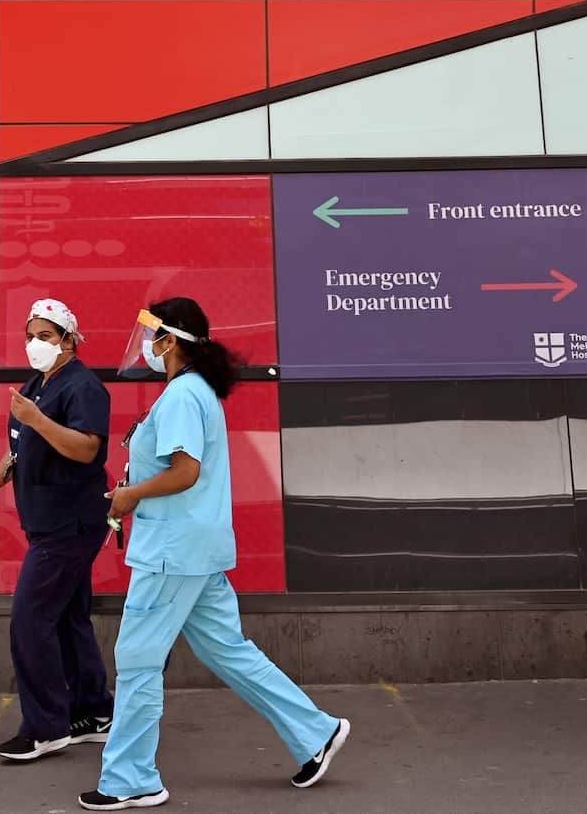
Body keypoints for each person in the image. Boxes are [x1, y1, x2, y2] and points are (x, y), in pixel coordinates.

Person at [78, 298, 350, 811]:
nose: (146, 345)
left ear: (172, 340)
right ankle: (316, 732)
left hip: (172, 553)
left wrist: (132, 495)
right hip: (193, 550)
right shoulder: (194, 392)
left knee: (137, 660)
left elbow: (186, 472)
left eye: (152, 334)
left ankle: (132, 778)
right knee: (229, 651)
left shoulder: (182, 396)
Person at [0, 298, 116, 762]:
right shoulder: (35, 385)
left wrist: (37, 419)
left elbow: (87, 449)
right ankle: (93, 712)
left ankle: (47, 726)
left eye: (45, 336)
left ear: (69, 340)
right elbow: (19, 450)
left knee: (30, 620)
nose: (35, 344)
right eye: (30, 336)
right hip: (46, 522)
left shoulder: (82, 388)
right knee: (68, 618)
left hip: (69, 524)